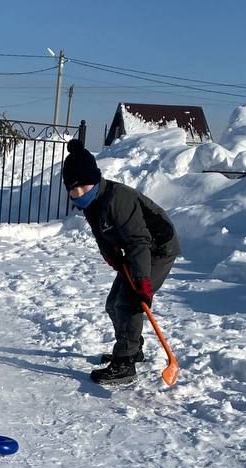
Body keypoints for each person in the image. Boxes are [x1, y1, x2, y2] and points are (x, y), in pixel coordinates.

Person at [62, 139, 181, 386]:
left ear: (94, 179)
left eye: (83, 187)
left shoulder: (117, 199)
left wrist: (142, 281)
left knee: (129, 303)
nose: (79, 194)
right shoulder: (92, 204)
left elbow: (139, 241)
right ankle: (132, 348)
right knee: (112, 304)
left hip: (157, 248)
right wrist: (112, 256)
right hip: (136, 249)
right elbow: (102, 233)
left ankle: (125, 363)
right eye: (73, 190)